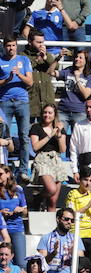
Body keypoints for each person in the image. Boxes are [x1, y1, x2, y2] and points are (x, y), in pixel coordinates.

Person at [0, 37, 33, 179]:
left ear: (16, 46)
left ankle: (24, 170)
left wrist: (19, 74)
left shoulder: (24, 60)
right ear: (4, 46)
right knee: (3, 136)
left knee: (24, 136)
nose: (11, 48)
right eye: (8, 45)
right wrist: (7, 79)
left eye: (13, 45)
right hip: (4, 102)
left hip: (22, 102)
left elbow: (30, 82)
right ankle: (4, 168)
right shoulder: (0, 61)